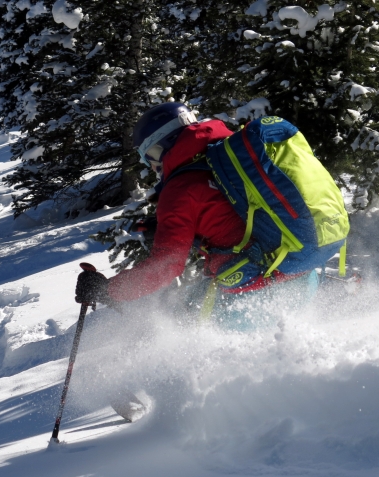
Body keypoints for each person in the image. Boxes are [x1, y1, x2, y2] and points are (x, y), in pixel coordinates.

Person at [75, 102, 319, 330]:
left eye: (149, 156)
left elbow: (167, 265)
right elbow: (228, 216)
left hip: (253, 297)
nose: (151, 167)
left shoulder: (180, 189)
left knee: (183, 333)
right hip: (302, 274)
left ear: (164, 145)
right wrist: (175, 227)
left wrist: (107, 289)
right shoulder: (230, 158)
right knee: (191, 302)